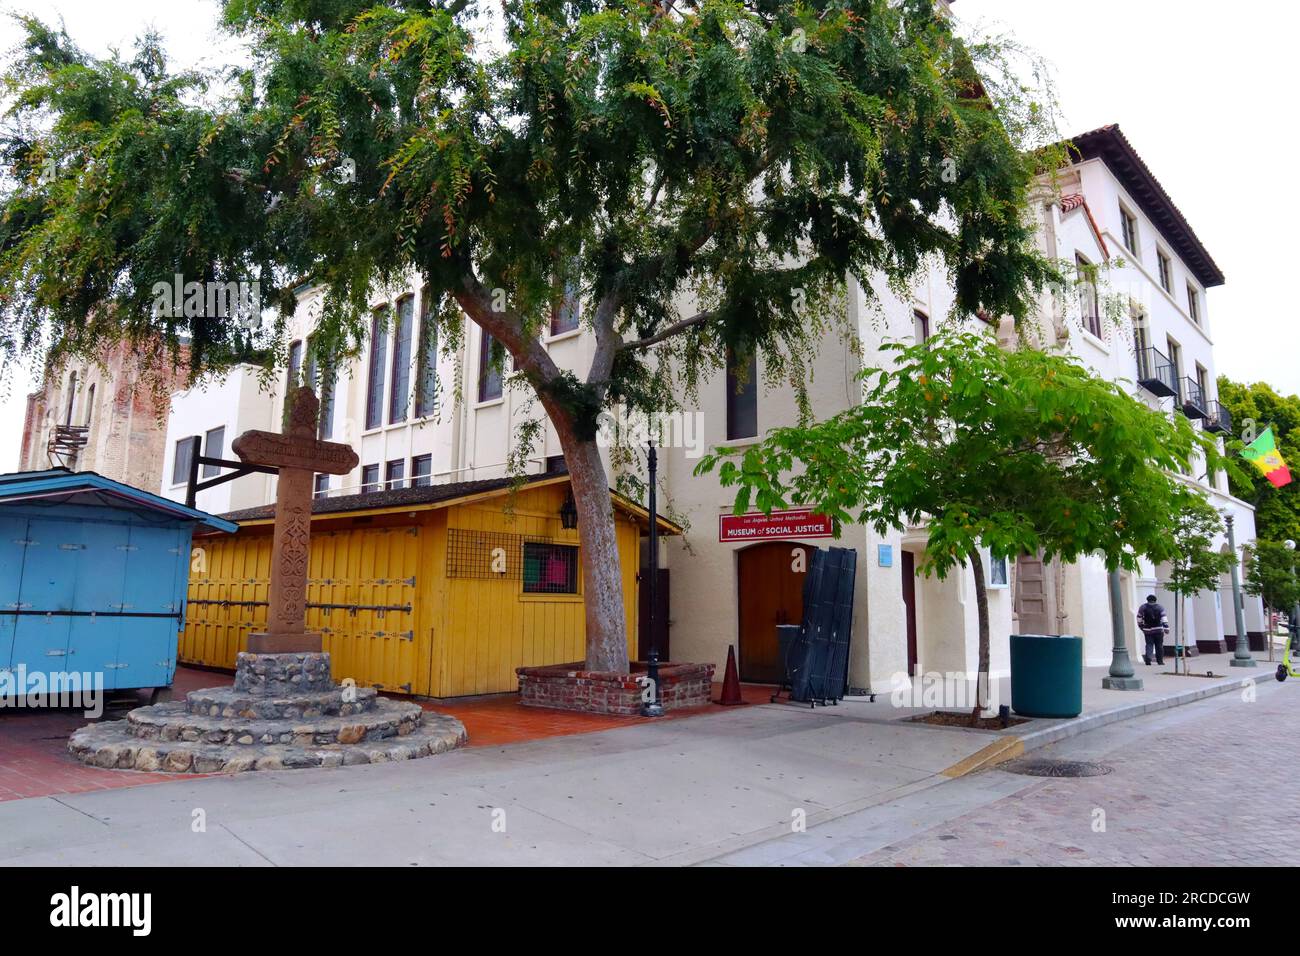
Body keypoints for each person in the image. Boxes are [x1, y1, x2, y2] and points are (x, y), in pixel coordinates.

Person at [1137, 594, 1168, 666]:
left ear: (1147, 600)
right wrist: (1166, 628)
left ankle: (1148, 658)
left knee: (1149, 644)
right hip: (1158, 630)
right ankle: (1160, 661)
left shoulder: (1143, 607)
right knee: (1159, 645)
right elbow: (1164, 618)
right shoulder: (1160, 607)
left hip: (1147, 630)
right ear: (1155, 600)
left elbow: (1139, 617)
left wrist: (1141, 626)